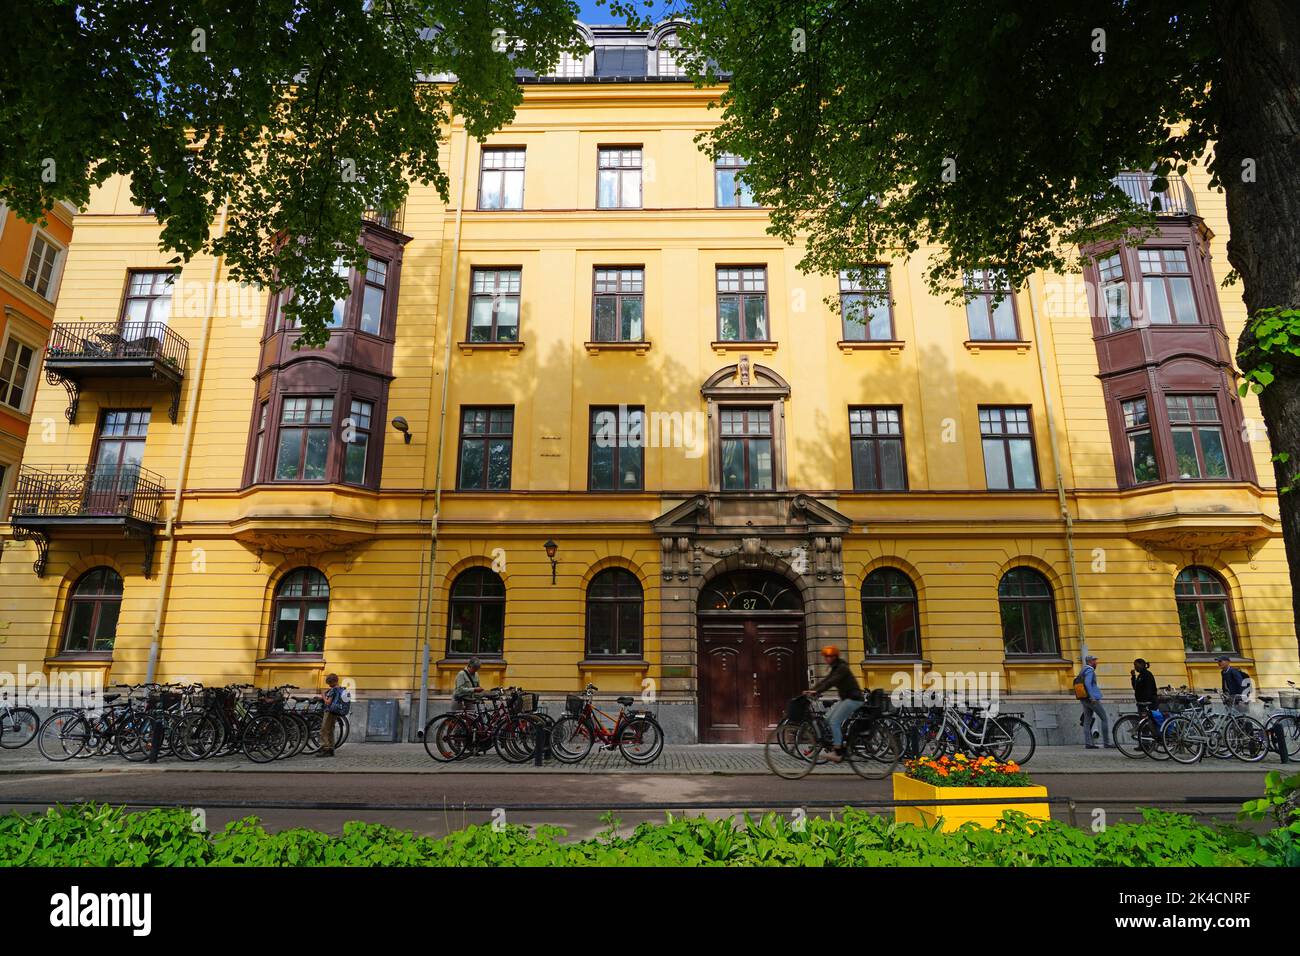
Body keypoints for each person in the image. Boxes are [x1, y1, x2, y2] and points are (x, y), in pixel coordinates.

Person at [803, 645, 864, 763]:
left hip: (854, 699)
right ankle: (838, 743)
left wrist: (817, 691)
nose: (826, 658)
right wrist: (813, 690)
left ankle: (838, 752)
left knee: (834, 721)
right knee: (827, 718)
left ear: (835, 657)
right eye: (825, 656)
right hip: (846, 699)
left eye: (829, 656)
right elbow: (825, 681)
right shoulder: (835, 668)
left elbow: (832, 682)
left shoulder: (842, 668)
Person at [1079, 655, 1112, 749]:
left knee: (1087, 721)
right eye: (1094, 661)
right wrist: (1092, 697)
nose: (1096, 662)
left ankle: (1088, 743)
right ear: (1090, 662)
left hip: (1084, 699)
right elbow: (1087, 683)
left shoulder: (1082, 670)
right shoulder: (1089, 670)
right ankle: (1107, 742)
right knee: (1104, 718)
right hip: (1091, 699)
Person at [316, 673, 349, 758]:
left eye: (329, 683)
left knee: (324, 730)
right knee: (330, 729)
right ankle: (331, 748)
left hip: (329, 711)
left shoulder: (332, 690)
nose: (329, 685)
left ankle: (325, 748)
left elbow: (328, 702)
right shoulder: (341, 689)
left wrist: (323, 695)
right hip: (336, 712)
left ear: (331, 682)